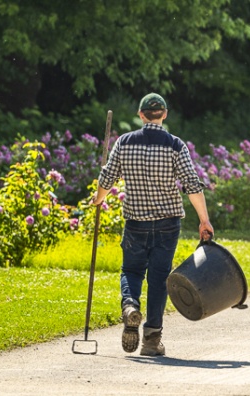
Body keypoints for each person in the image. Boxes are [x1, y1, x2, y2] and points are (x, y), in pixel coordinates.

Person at [92, 93, 214, 356]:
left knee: (131, 271)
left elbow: (107, 177)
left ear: (141, 114)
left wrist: (98, 200)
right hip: (168, 224)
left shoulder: (124, 143)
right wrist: (204, 220)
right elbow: (192, 185)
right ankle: (151, 339)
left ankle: (130, 305)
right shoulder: (175, 145)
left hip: (135, 222)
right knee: (159, 280)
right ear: (164, 114)